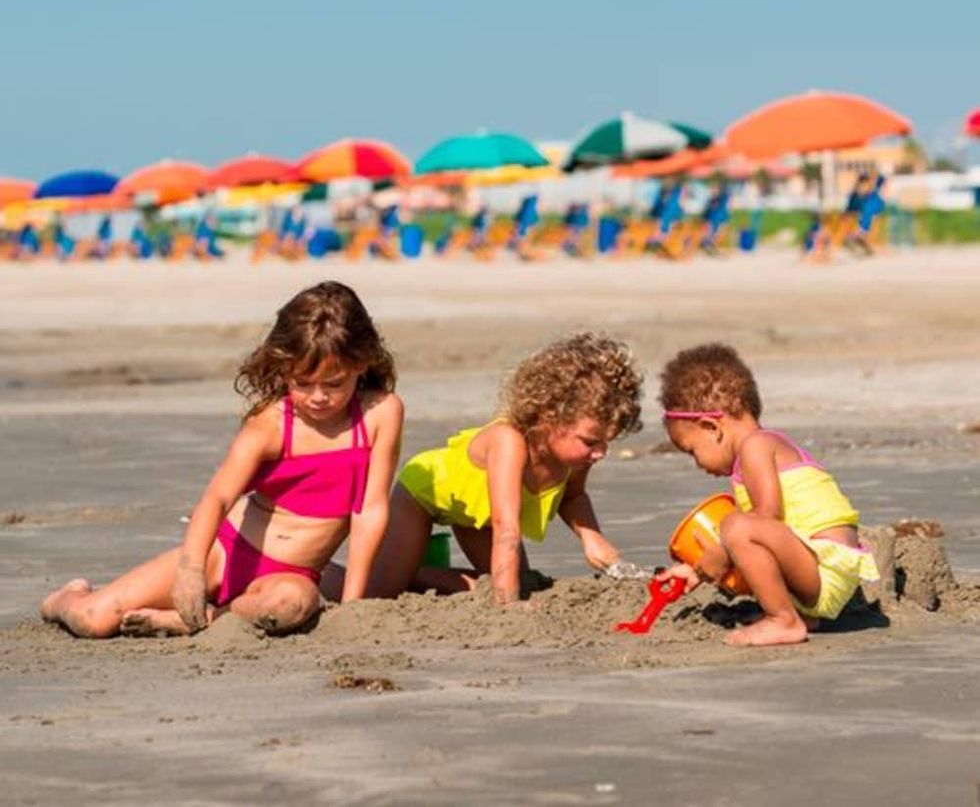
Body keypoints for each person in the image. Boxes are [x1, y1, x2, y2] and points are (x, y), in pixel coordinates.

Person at [41, 282, 404, 637]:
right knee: (94, 619)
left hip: (290, 576)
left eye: (334, 384)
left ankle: (204, 620)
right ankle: (65, 599)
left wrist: (355, 603)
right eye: (302, 384)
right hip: (224, 553)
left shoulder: (380, 414)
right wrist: (191, 570)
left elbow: (369, 510)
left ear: (361, 363)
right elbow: (217, 498)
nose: (318, 397)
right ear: (283, 369)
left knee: (292, 605)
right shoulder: (272, 423)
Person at [330, 333, 643, 605]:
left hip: (477, 513)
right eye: (591, 441)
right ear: (549, 417)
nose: (601, 453)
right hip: (426, 491)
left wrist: (592, 538)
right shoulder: (509, 442)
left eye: (607, 442)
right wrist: (509, 608)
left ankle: (415, 575)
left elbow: (573, 497)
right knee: (379, 593)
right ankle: (333, 574)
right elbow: (506, 529)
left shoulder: (576, 457)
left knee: (520, 580)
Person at [655, 343, 879, 647]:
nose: (697, 464)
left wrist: (722, 552)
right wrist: (697, 570)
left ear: (711, 426)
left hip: (826, 568)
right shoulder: (756, 452)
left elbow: (767, 515)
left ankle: (783, 620)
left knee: (736, 525)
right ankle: (799, 614)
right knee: (737, 527)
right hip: (812, 569)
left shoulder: (756, 447)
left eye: (692, 451)